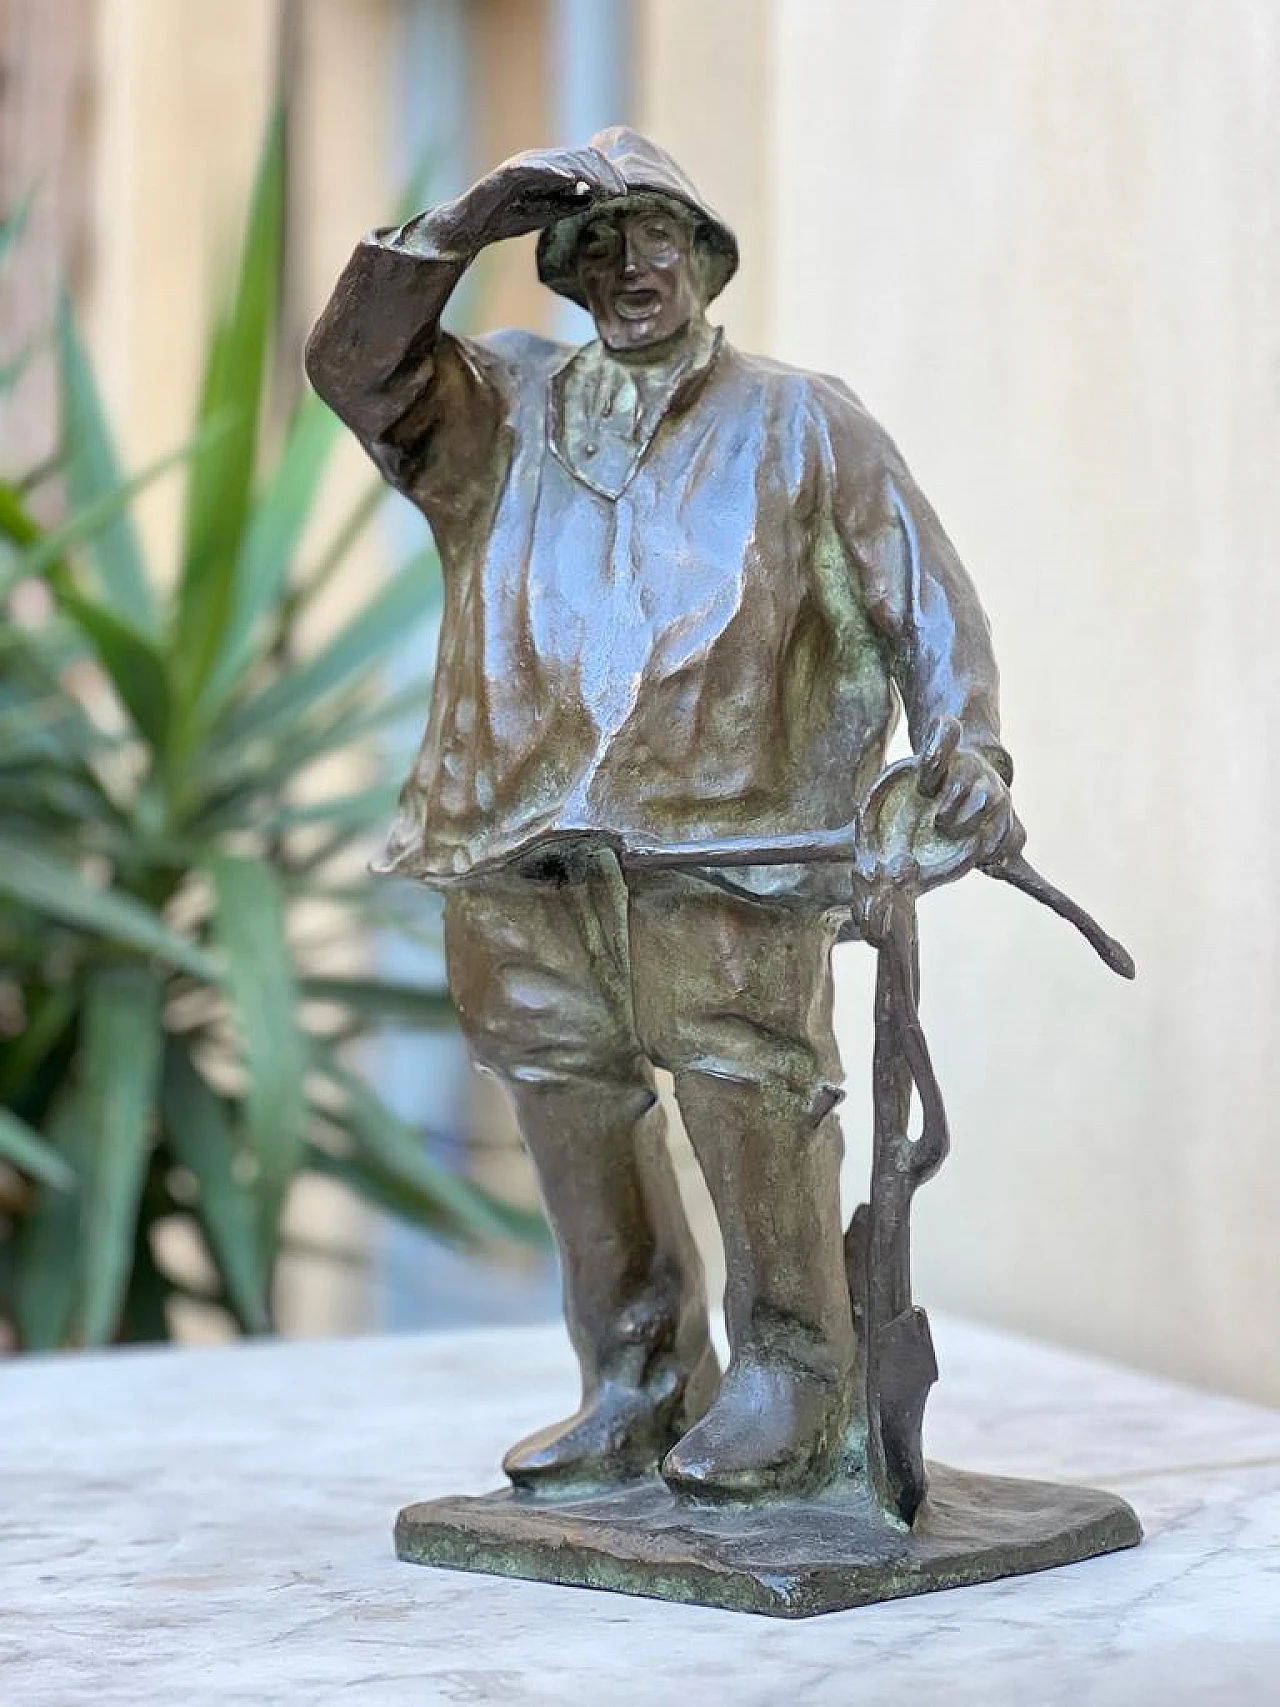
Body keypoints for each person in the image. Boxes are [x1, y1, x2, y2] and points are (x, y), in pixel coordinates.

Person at [306, 127, 1017, 1502]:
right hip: (515, 847)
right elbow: (354, 368)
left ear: (703, 259)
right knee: (569, 1109)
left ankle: (795, 1383)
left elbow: (923, 593)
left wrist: (967, 746)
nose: (634, 268)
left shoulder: (802, 419)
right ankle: (630, 1384)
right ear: (566, 272)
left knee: (756, 1102)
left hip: (725, 846)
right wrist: (456, 228)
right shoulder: (494, 404)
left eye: (660, 238)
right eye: (600, 245)